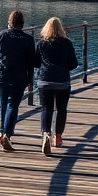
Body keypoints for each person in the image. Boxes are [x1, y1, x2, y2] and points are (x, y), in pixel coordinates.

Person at [0, 10, 37, 152]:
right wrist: (30, 80)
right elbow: (31, 62)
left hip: (2, 77)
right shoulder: (28, 40)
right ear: (22, 23)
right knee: (13, 105)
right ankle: (7, 134)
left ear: (9, 22)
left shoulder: (1, 36)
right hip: (20, 77)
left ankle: (3, 132)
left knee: (4, 104)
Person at [35, 17, 79, 156]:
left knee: (46, 109)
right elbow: (73, 63)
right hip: (62, 81)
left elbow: (35, 62)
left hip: (45, 81)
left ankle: (46, 134)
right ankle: (58, 137)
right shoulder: (67, 44)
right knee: (61, 110)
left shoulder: (41, 44)